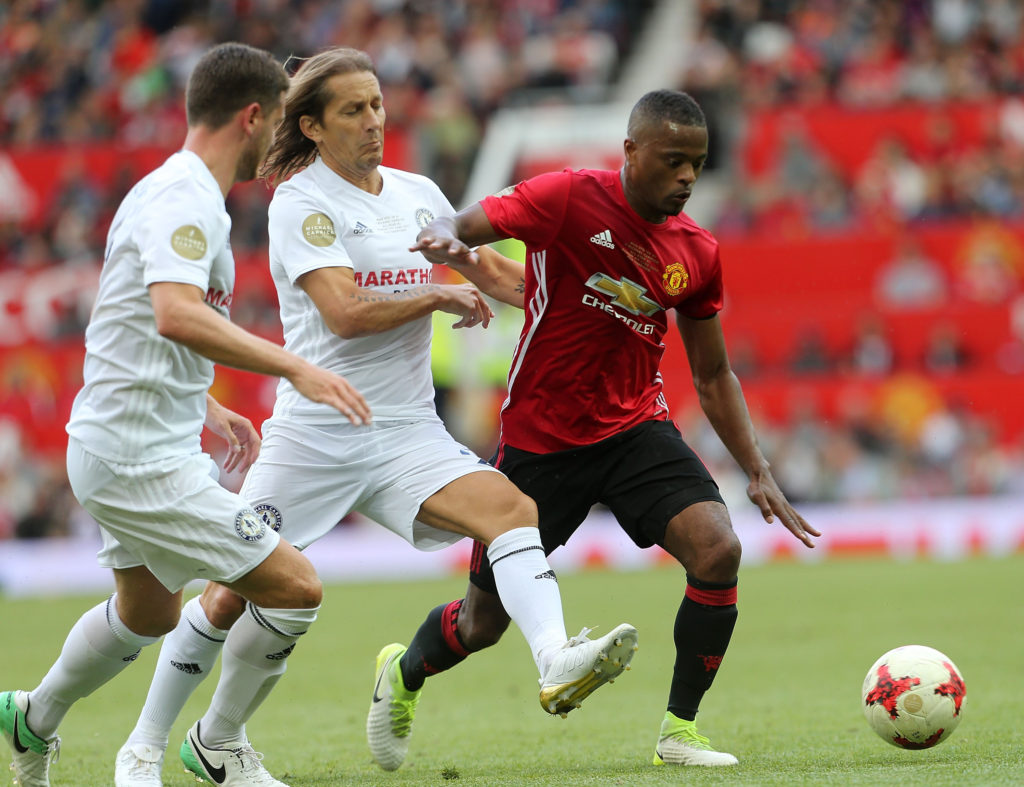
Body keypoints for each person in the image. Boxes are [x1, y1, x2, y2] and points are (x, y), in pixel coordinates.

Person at [114, 47, 637, 785]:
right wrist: (433, 295)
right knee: (232, 590)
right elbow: (344, 311)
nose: (373, 122)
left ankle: (554, 659)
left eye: (378, 105)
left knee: (512, 509)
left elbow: (490, 271)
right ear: (313, 126)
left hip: (404, 432)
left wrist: (601, 304)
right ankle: (144, 743)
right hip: (316, 432)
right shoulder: (301, 201)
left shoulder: (418, 193)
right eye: (353, 110)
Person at [404, 88, 820, 768]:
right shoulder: (567, 197)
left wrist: (757, 468)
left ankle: (679, 731)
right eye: (674, 160)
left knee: (717, 550)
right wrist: (452, 237)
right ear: (631, 151)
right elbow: (476, 220)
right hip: (540, 439)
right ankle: (403, 673)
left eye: (699, 162)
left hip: (634, 429)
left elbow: (713, 375)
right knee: (481, 625)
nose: (688, 176)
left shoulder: (698, 252)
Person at [0, 43, 373, 787]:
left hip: (119, 441)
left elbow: (132, 317)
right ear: (254, 115)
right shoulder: (186, 201)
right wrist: (295, 363)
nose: (283, 143)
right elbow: (173, 314)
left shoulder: (160, 190)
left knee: (147, 613)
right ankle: (219, 746)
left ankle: (30, 717)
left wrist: (203, 400)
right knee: (295, 586)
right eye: (280, 125)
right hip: (139, 459)